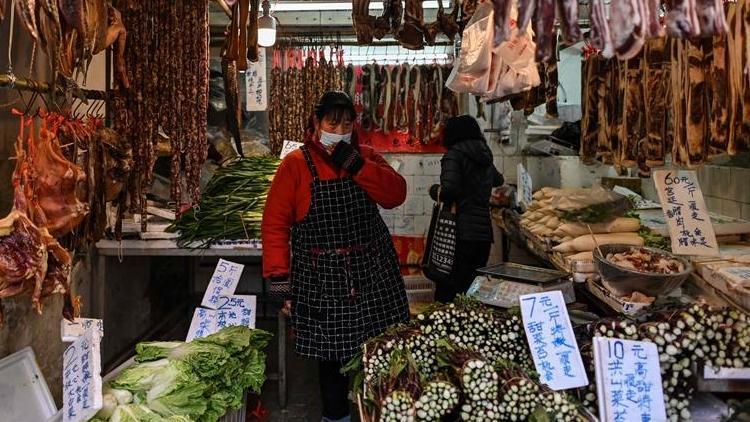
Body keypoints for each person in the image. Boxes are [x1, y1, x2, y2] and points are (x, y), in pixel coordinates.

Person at [261, 91, 410, 422]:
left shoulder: (367, 157)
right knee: (332, 359)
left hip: (372, 274)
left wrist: (357, 165)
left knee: (380, 350)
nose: (340, 129)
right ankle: (337, 417)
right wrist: (278, 279)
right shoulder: (296, 165)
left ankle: (382, 412)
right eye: (332, 122)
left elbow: (395, 194)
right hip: (321, 278)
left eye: (347, 123)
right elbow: (274, 225)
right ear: (317, 123)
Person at [429, 115, 504, 303]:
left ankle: (445, 329)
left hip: (459, 233)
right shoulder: (484, 154)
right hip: (483, 234)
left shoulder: (454, 154)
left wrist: (435, 191)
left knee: (449, 286)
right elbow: (498, 180)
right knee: (472, 288)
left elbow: (450, 190)